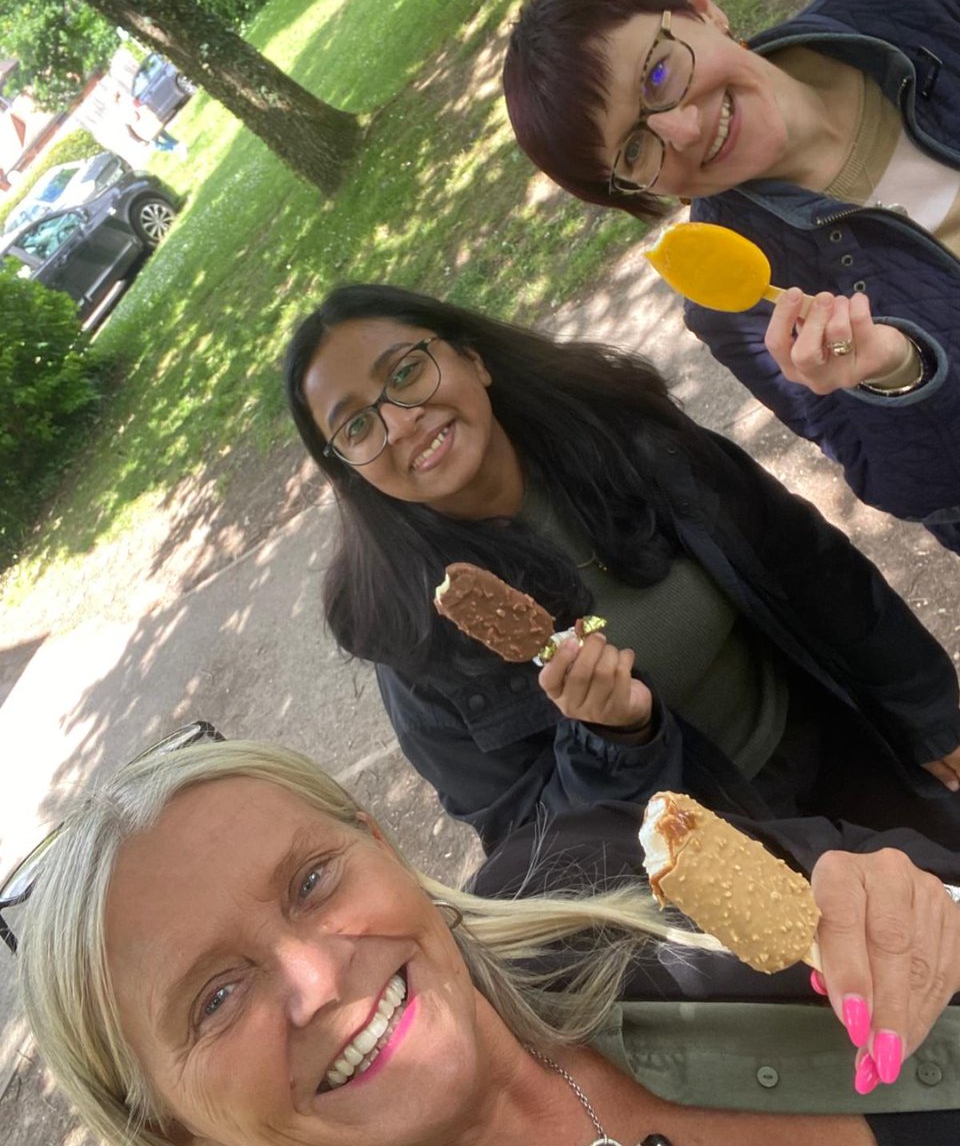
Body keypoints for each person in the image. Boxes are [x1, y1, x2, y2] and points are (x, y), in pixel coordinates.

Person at [12, 738, 960, 1146]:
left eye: (311, 881)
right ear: (172, 1131)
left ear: (379, 847)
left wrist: (922, 911)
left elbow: (899, 883)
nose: (317, 977)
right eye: (215, 998)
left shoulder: (596, 873)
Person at [284, 283, 960, 852]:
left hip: (840, 739)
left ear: (471, 358)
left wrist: (930, 711)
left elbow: (808, 562)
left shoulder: (625, 436)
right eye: (356, 427)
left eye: (406, 373)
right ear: (349, 474)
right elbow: (531, 849)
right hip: (729, 871)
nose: (399, 424)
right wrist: (613, 745)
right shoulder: (412, 642)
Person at [502, 0, 960, 554]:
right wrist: (896, 376)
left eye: (658, 74)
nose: (684, 130)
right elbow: (921, 491)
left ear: (700, 7)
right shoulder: (736, 302)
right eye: (636, 151)